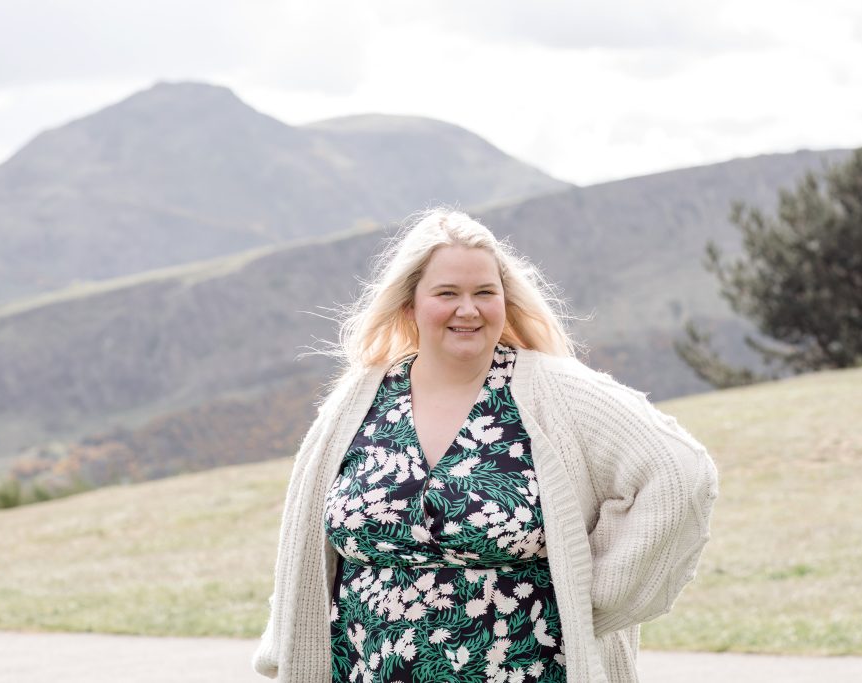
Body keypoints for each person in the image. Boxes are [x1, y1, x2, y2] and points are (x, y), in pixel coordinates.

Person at [252, 207, 719, 683]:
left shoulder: (556, 392)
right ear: (410, 304)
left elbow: (678, 472)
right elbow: (305, 544)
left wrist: (594, 597)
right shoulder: (359, 399)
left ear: (505, 301)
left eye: (484, 293)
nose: (468, 309)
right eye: (447, 293)